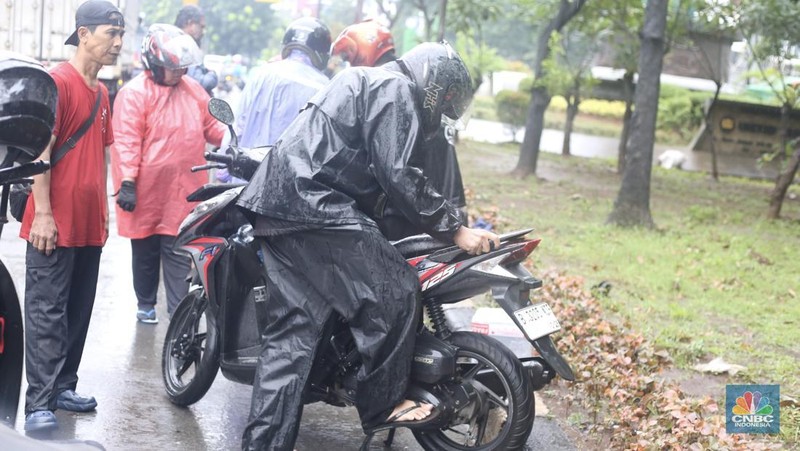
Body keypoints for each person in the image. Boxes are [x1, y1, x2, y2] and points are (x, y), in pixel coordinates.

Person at [236, 41, 500, 450]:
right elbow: (398, 172)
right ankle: (383, 405)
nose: (443, 107)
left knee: (290, 344)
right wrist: (455, 229)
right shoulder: (394, 89)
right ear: (435, 82)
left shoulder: (368, 81)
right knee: (395, 288)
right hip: (315, 206)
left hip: (280, 206)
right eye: (446, 97)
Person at [17, 0, 124, 432]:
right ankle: (38, 402)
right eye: (108, 34)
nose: (117, 43)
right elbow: (41, 152)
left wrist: (104, 213)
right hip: (52, 223)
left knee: (77, 311)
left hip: (87, 224)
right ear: (83, 34)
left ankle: (63, 387)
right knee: (47, 311)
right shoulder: (57, 83)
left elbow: (101, 154)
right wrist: (43, 212)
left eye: (120, 35)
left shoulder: (101, 92)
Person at [110, 24, 225, 324]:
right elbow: (126, 141)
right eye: (172, 68)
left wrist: (230, 141)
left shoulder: (194, 91)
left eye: (182, 67)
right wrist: (127, 182)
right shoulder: (135, 94)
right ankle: (145, 303)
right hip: (145, 192)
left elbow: (213, 127)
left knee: (178, 253)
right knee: (145, 252)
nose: (179, 73)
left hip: (182, 191)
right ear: (154, 64)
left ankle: (178, 313)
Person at [332, 20, 469, 240]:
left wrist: (455, 229)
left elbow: (398, 172)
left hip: (411, 217)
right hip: (426, 212)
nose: (350, 64)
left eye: (351, 57)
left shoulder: (393, 94)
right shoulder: (398, 91)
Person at [216, 17, 331, 184]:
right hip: (289, 191)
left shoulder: (262, 73)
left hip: (243, 182)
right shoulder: (325, 88)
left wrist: (223, 172)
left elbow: (238, 124)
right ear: (323, 53)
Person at [175, 5, 217, 96]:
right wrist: (212, 75)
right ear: (190, 23)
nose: (203, 31)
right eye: (201, 27)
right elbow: (199, 83)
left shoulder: (173, 41)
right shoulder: (185, 45)